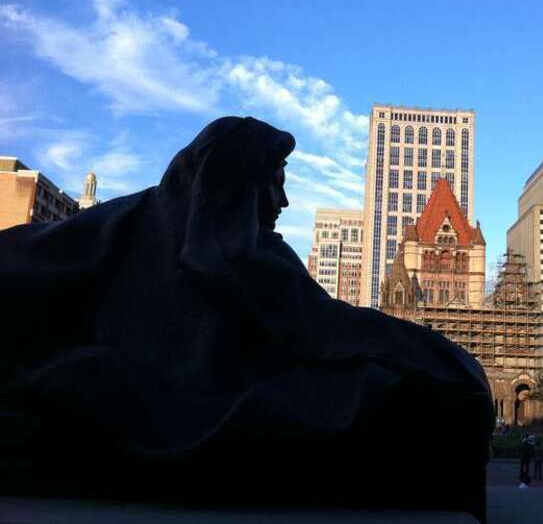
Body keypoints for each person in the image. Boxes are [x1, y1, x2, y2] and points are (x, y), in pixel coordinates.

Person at [0, 116, 494, 515]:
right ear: (230, 186)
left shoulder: (238, 242)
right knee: (404, 402)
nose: (283, 201)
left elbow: (320, 322)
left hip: (176, 390)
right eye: (272, 185)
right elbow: (317, 325)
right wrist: (443, 359)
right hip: (143, 392)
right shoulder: (204, 242)